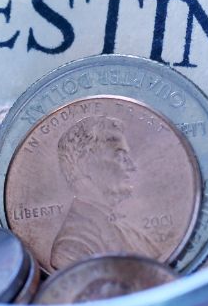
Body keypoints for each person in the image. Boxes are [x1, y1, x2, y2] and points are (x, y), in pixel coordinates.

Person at [50, 115, 159, 270]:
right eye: (120, 155)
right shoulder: (73, 246)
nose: (132, 166)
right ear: (86, 163)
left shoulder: (132, 232)